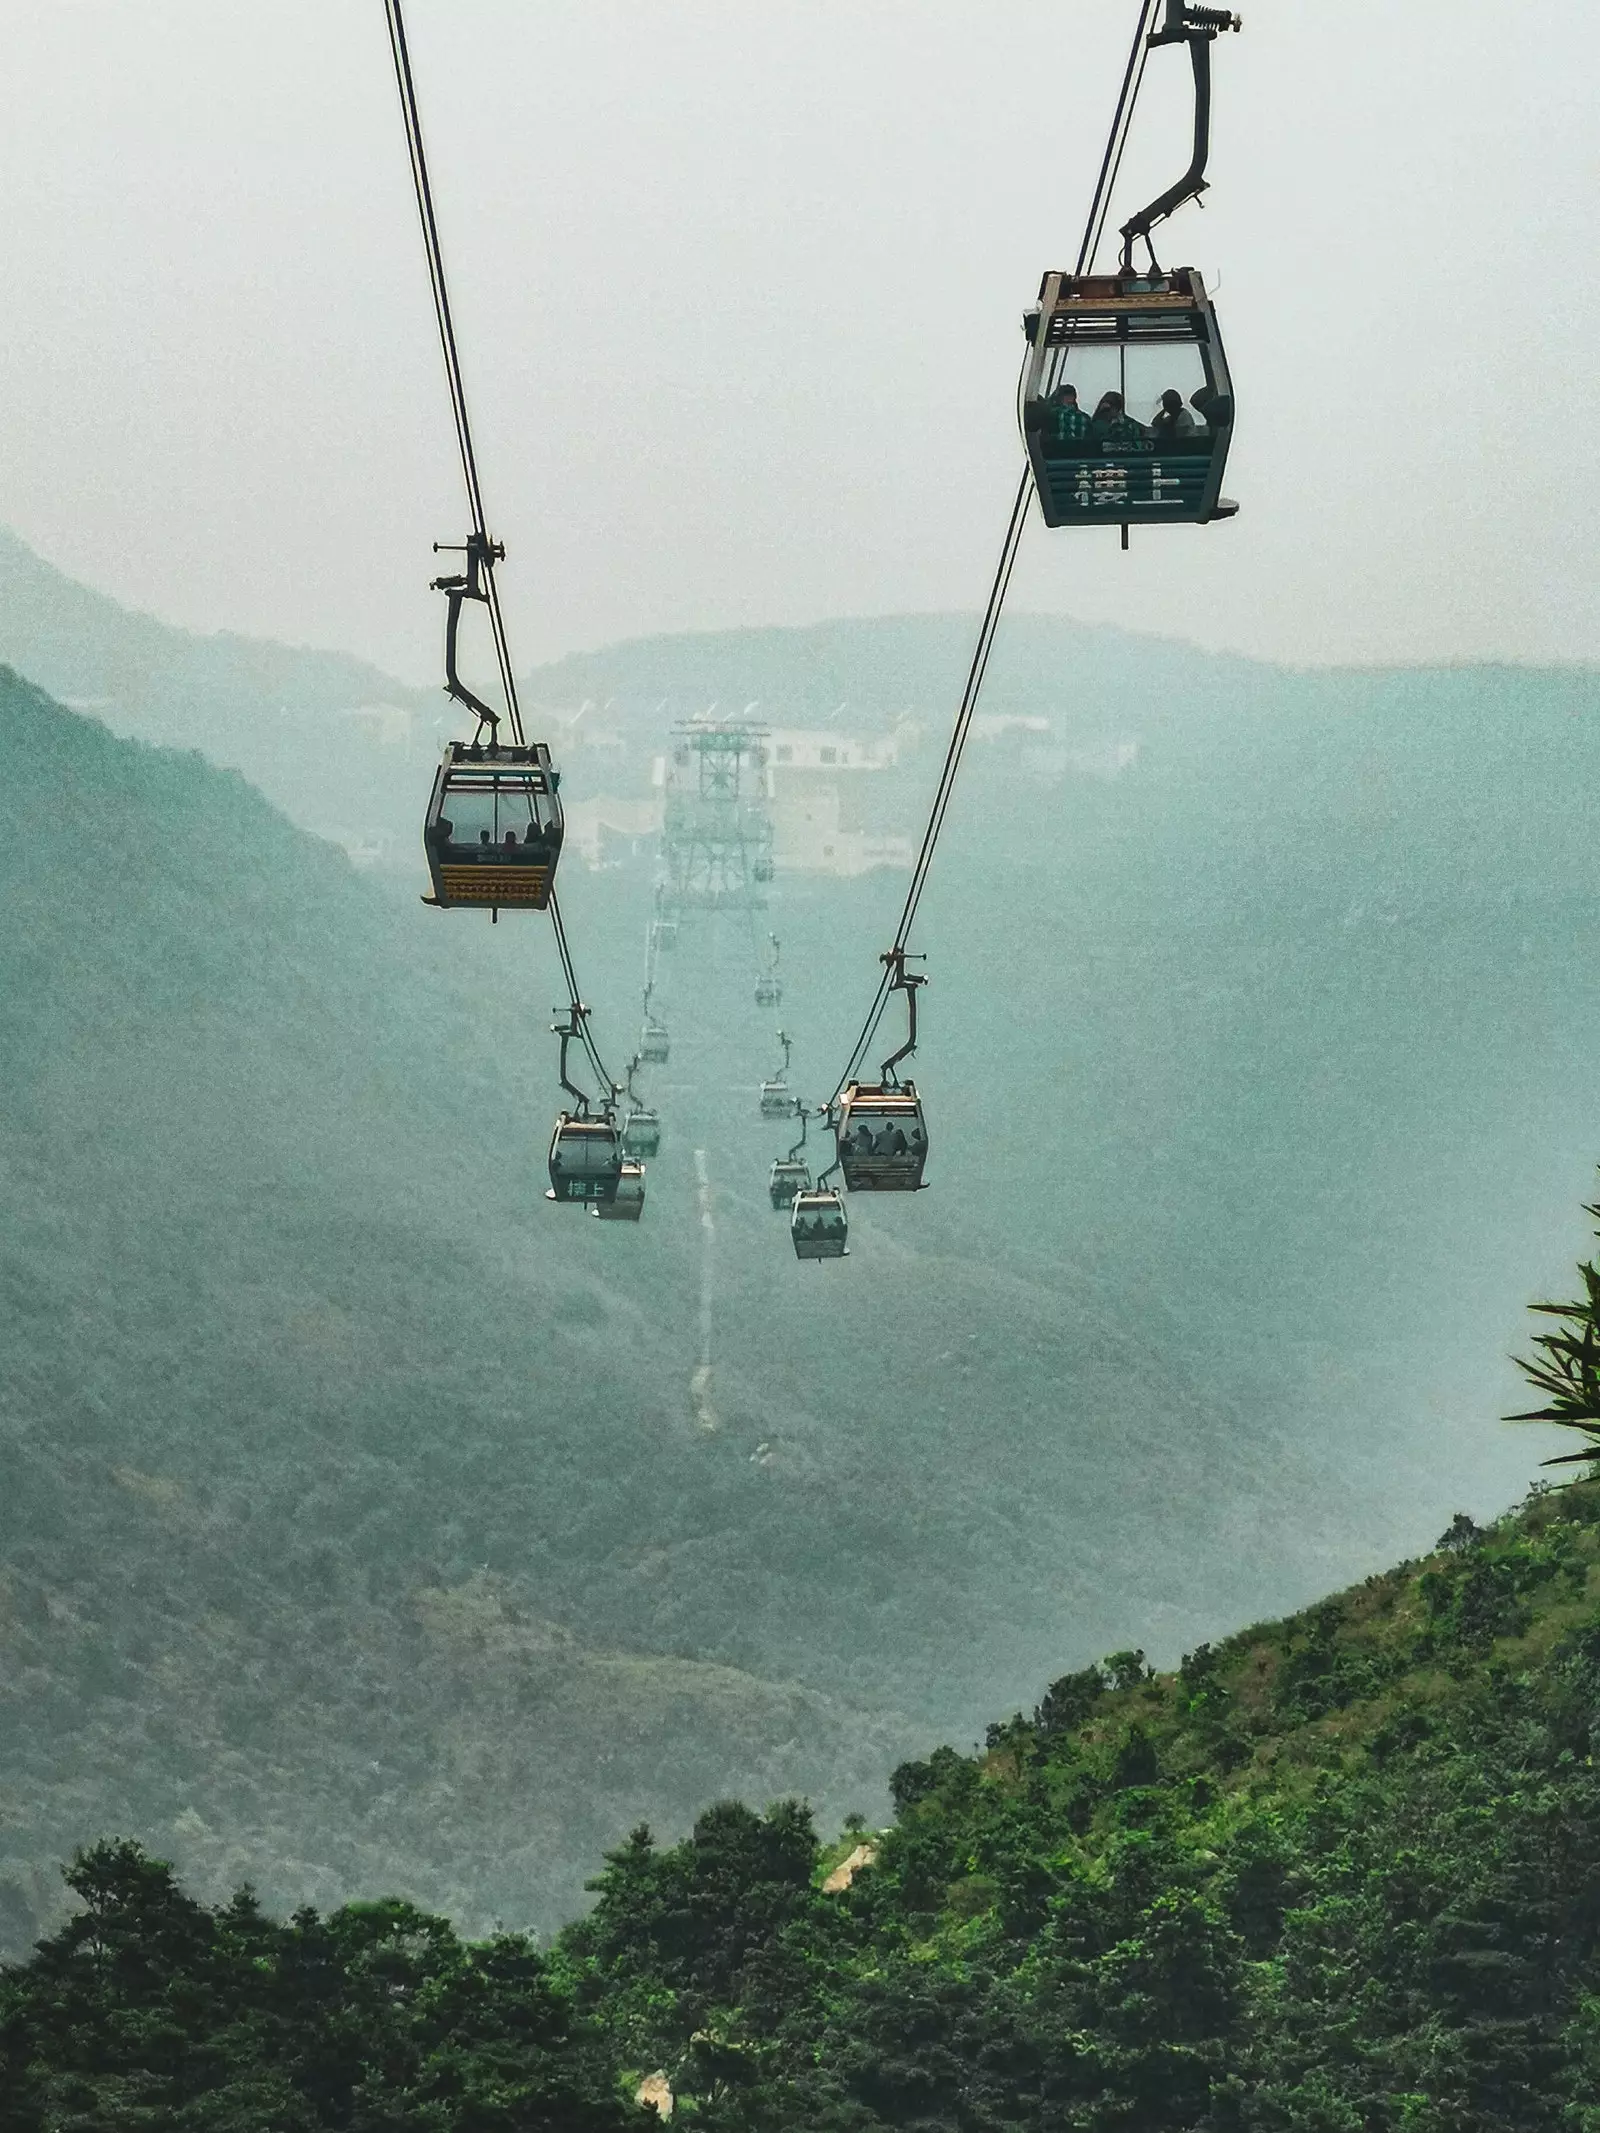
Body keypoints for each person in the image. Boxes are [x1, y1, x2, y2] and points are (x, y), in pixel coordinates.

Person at [1045, 382, 1093, 447]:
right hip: (1057, 450)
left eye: (1070, 395)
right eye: (1065, 395)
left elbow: (1090, 438)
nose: (1068, 398)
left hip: (1079, 452)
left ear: (1074, 398)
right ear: (1059, 397)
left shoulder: (1085, 418)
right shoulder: (1051, 414)